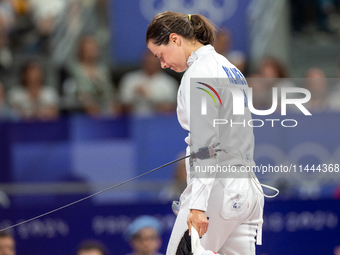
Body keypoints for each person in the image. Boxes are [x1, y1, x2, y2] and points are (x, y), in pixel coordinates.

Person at [146, 12, 265, 255]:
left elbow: (206, 145)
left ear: (175, 39)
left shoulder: (199, 73)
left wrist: (198, 205)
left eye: (160, 54)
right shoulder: (229, 68)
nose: (163, 64)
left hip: (218, 192)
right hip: (246, 192)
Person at [119, 50, 178, 116]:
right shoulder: (130, 80)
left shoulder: (169, 83)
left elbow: (172, 110)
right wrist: (135, 96)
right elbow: (120, 107)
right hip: (133, 121)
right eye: (148, 62)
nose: (150, 65)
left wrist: (149, 96)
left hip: (159, 122)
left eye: (153, 62)